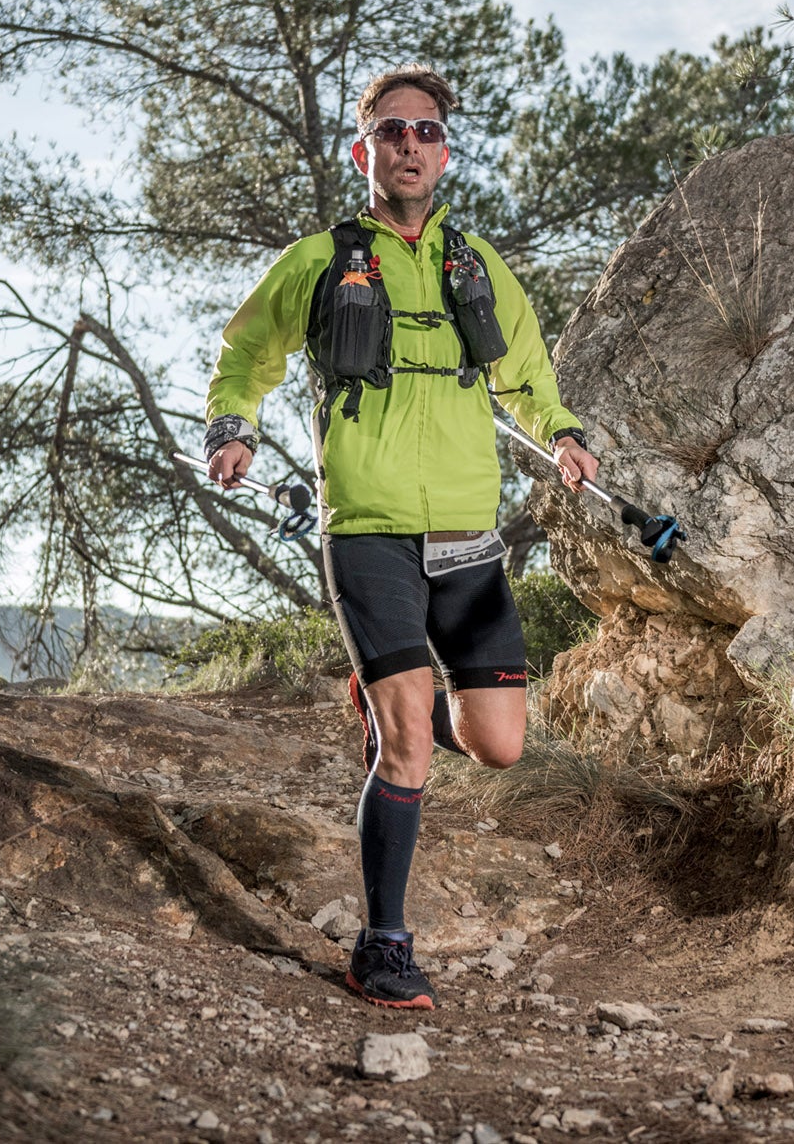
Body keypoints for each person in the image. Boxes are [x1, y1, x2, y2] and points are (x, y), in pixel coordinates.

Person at [204, 64, 598, 1010]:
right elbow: (245, 354)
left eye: (425, 131)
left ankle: (388, 696)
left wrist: (563, 432)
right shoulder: (320, 260)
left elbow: (530, 376)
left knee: (499, 745)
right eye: (392, 131)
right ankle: (383, 944)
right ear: (364, 150)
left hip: (468, 533)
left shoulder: (478, 262)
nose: (409, 145)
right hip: (370, 531)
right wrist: (233, 427)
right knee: (411, 746)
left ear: (445, 152)